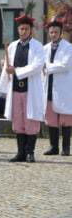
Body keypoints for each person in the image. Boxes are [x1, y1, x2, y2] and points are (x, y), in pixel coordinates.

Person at [0, 14, 45, 162]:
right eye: (21, 29)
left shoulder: (38, 47)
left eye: (26, 29)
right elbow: (8, 66)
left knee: (30, 120)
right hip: (16, 90)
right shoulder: (12, 46)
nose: (23, 31)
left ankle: (30, 152)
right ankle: (20, 153)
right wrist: (6, 70)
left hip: (30, 89)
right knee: (18, 121)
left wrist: (17, 71)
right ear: (18, 30)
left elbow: (37, 66)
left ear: (31, 30)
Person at [42, 19, 72, 156]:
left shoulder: (68, 47)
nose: (53, 34)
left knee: (65, 119)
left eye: (56, 32)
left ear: (61, 33)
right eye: (51, 32)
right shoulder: (45, 48)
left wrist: (48, 67)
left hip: (63, 87)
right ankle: (54, 147)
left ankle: (66, 148)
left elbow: (65, 65)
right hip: (49, 87)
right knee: (51, 118)